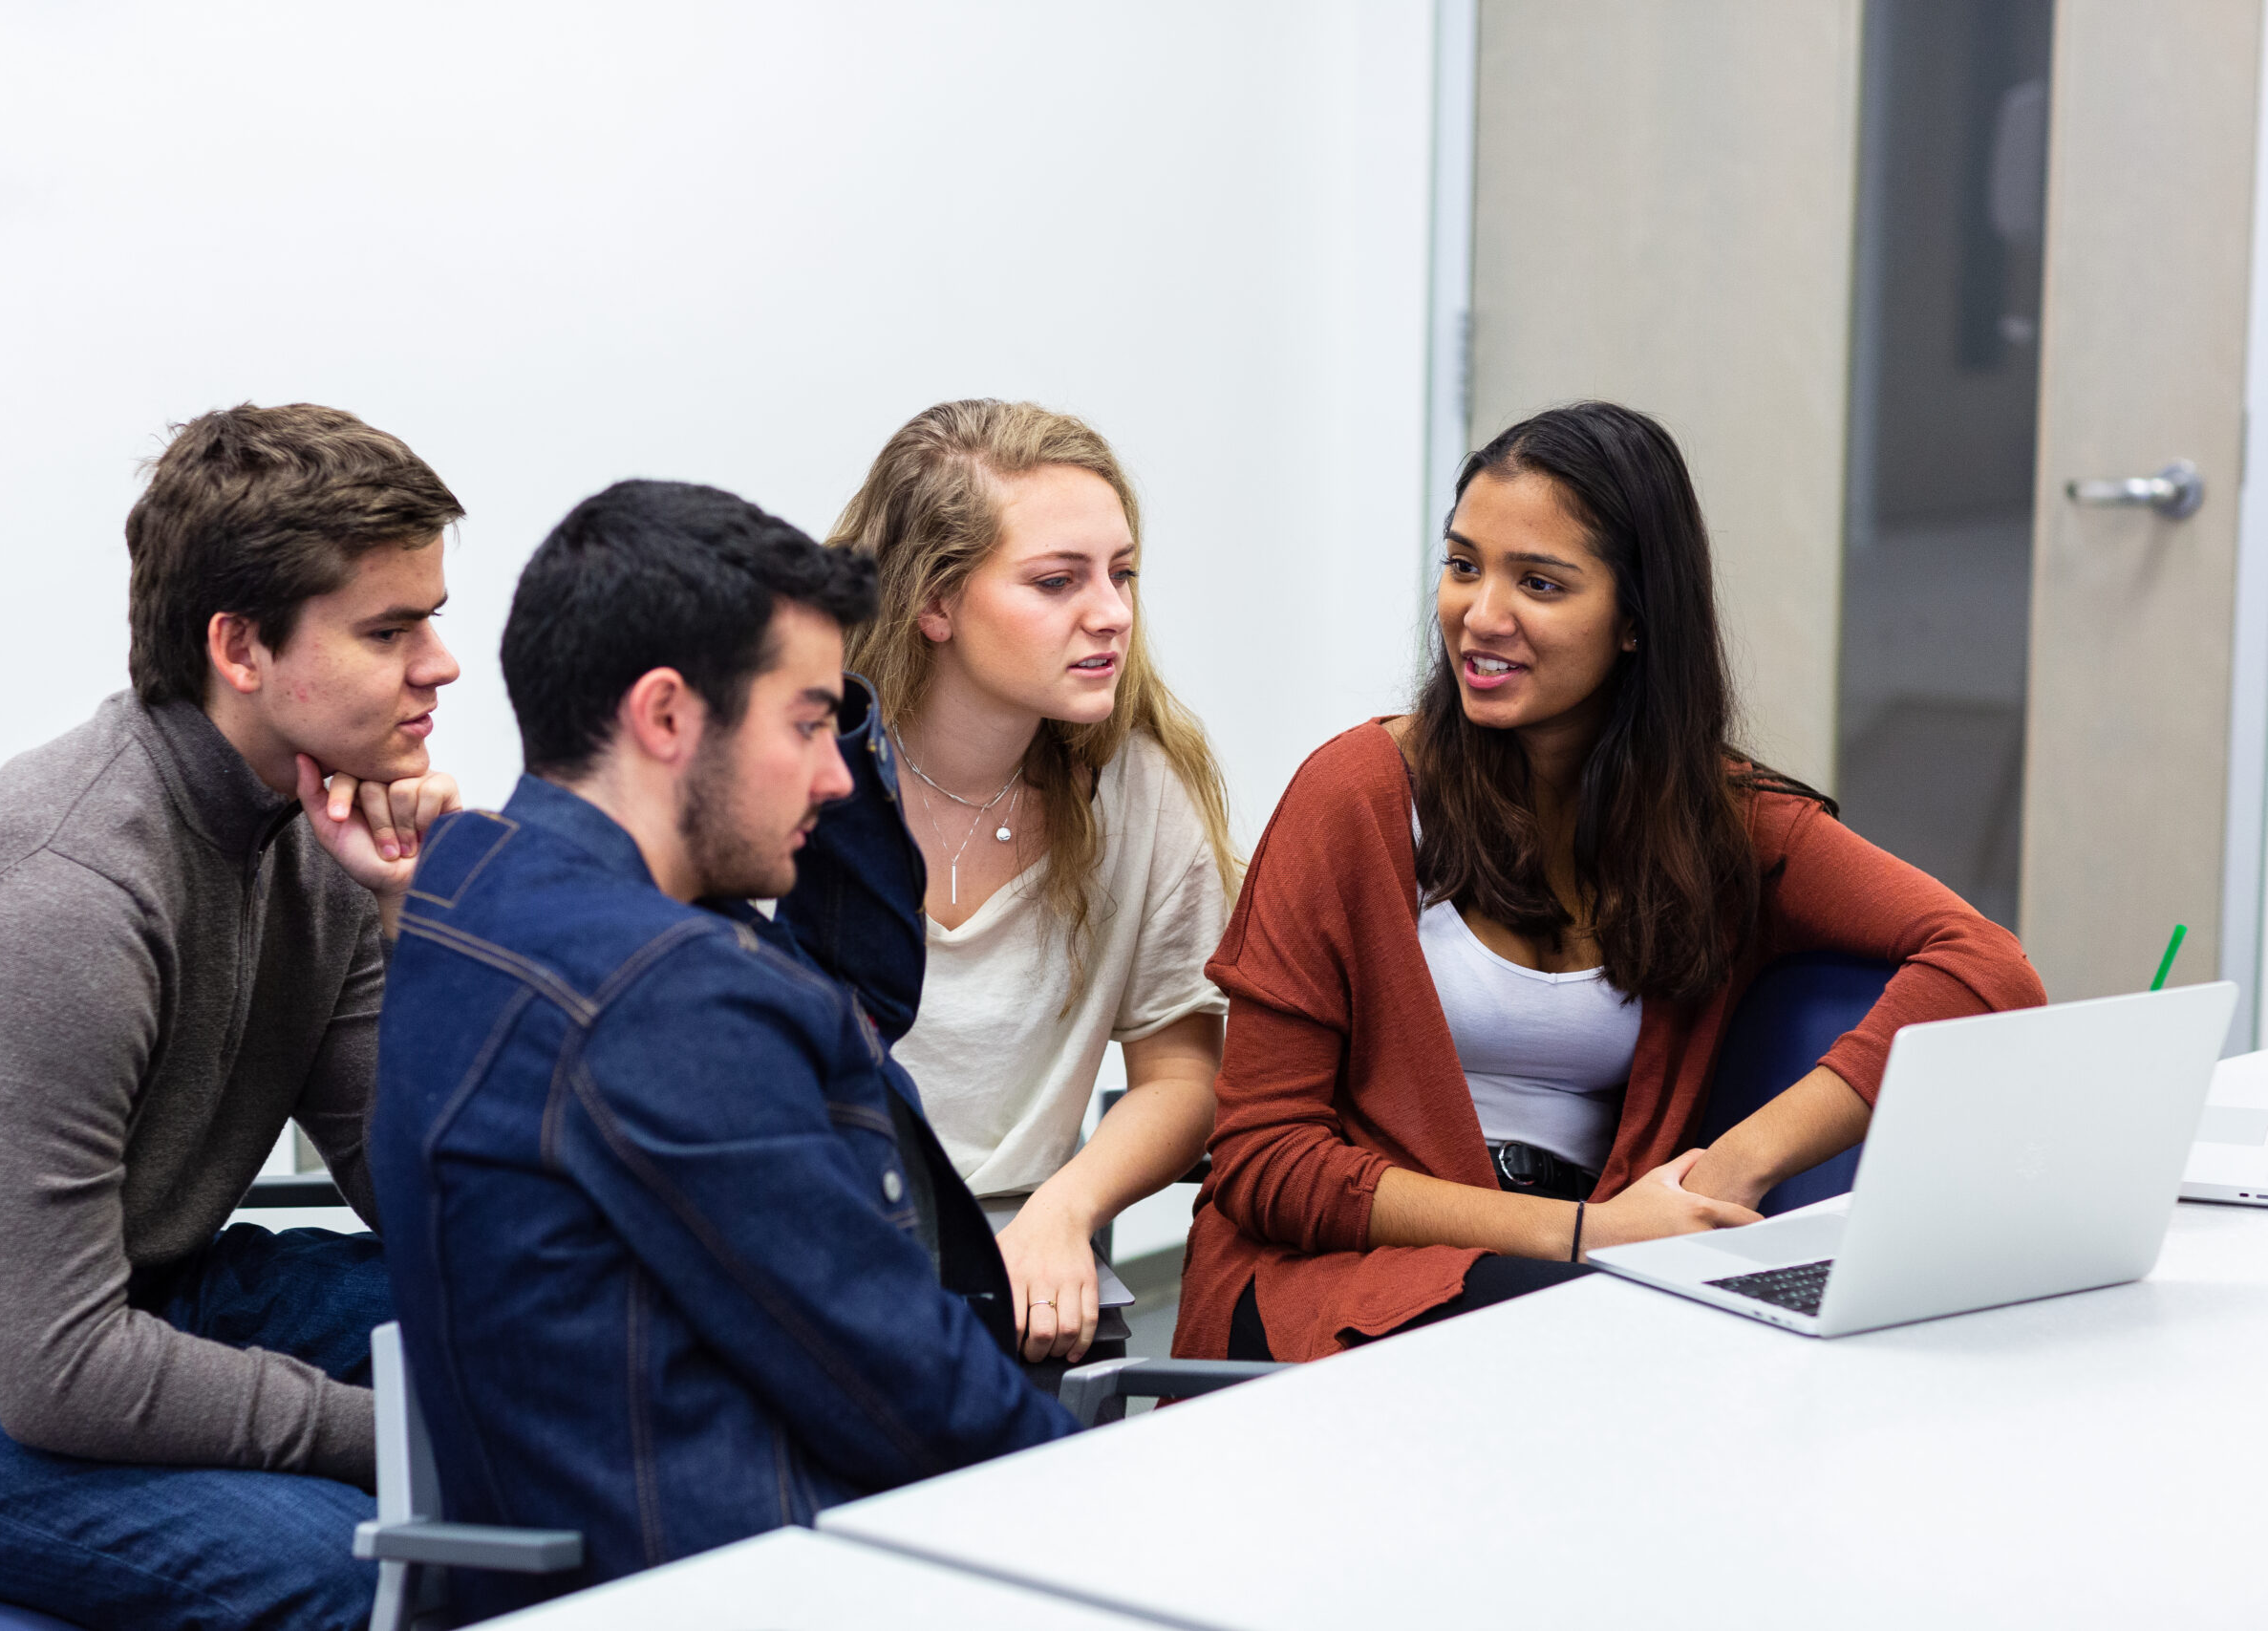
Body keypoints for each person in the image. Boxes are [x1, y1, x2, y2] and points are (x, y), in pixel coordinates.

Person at [1172, 400, 2048, 1363]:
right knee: (1633, 1363)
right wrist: (1587, 1237)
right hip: (1344, 1274)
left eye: (1539, 583)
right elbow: (1264, 1159)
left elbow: (1984, 964)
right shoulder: (1356, 796)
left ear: (1635, 621)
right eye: (1462, 565)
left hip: (1594, 1262)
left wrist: (1726, 1172)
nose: (1480, 614)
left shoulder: (1719, 821)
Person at [372, 479, 1073, 1621]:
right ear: (663, 718)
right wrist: (1118, 1502)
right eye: (805, 723)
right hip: (770, 1583)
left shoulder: (468, 885)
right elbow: (901, 1386)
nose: (839, 776)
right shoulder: (660, 996)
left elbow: (861, 977)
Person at [0, 403, 467, 1629]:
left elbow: (435, 1214)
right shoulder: (61, 905)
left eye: (430, 618)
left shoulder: (323, 841)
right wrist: (391, 1436)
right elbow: (61, 1375)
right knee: (367, 1564)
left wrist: (410, 926)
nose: (437, 663)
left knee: (570, 1347)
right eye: (388, 630)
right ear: (240, 649)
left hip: (125, 1293)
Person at [827, 400, 1237, 1367]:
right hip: (821, 1252)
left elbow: (1183, 1075)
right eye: (1058, 582)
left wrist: (1066, 1210)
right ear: (934, 603)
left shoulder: (1139, 787)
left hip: (1022, 1276)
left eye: (1121, 573)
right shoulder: (798, 777)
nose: (1111, 613)